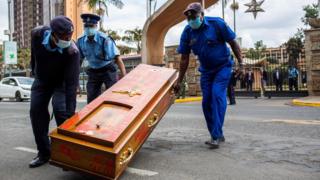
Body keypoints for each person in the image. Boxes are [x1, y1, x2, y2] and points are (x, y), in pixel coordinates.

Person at [174, 2, 243, 149]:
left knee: (217, 95)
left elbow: (233, 43)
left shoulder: (217, 24)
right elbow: (184, 59)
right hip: (206, 71)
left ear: (202, 15)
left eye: (194, 16)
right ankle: (217, 132)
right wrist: (179, 81)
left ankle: (215, 135)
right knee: (206, 103)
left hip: (223, 67)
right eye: (188, 17)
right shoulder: (187, 32)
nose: (191, 19)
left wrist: (241, 65)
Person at [29, 16, 80, 168]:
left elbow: (71, 86)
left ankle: (66, 155)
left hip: (62, 82)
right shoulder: (37, 34)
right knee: (36, 111)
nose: (68, 39)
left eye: (70, 36)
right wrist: (34, 70)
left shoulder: (73, 52)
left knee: (61, 110)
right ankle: (44, 153)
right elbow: (34, 54)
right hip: (42, 80)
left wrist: (70, 116)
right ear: (53, 34)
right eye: (64, 37)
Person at [77, 13, 126, 103]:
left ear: (96, 26)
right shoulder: (80, 41)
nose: (88, 28)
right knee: (91, 98)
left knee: (112, 96)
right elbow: (78, 60)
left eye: (91, 26)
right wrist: (75, 79)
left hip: (107, 69)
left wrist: (124, 77)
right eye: (86, 26)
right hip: (93, 70)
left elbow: (117, 58)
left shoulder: (104, 39)